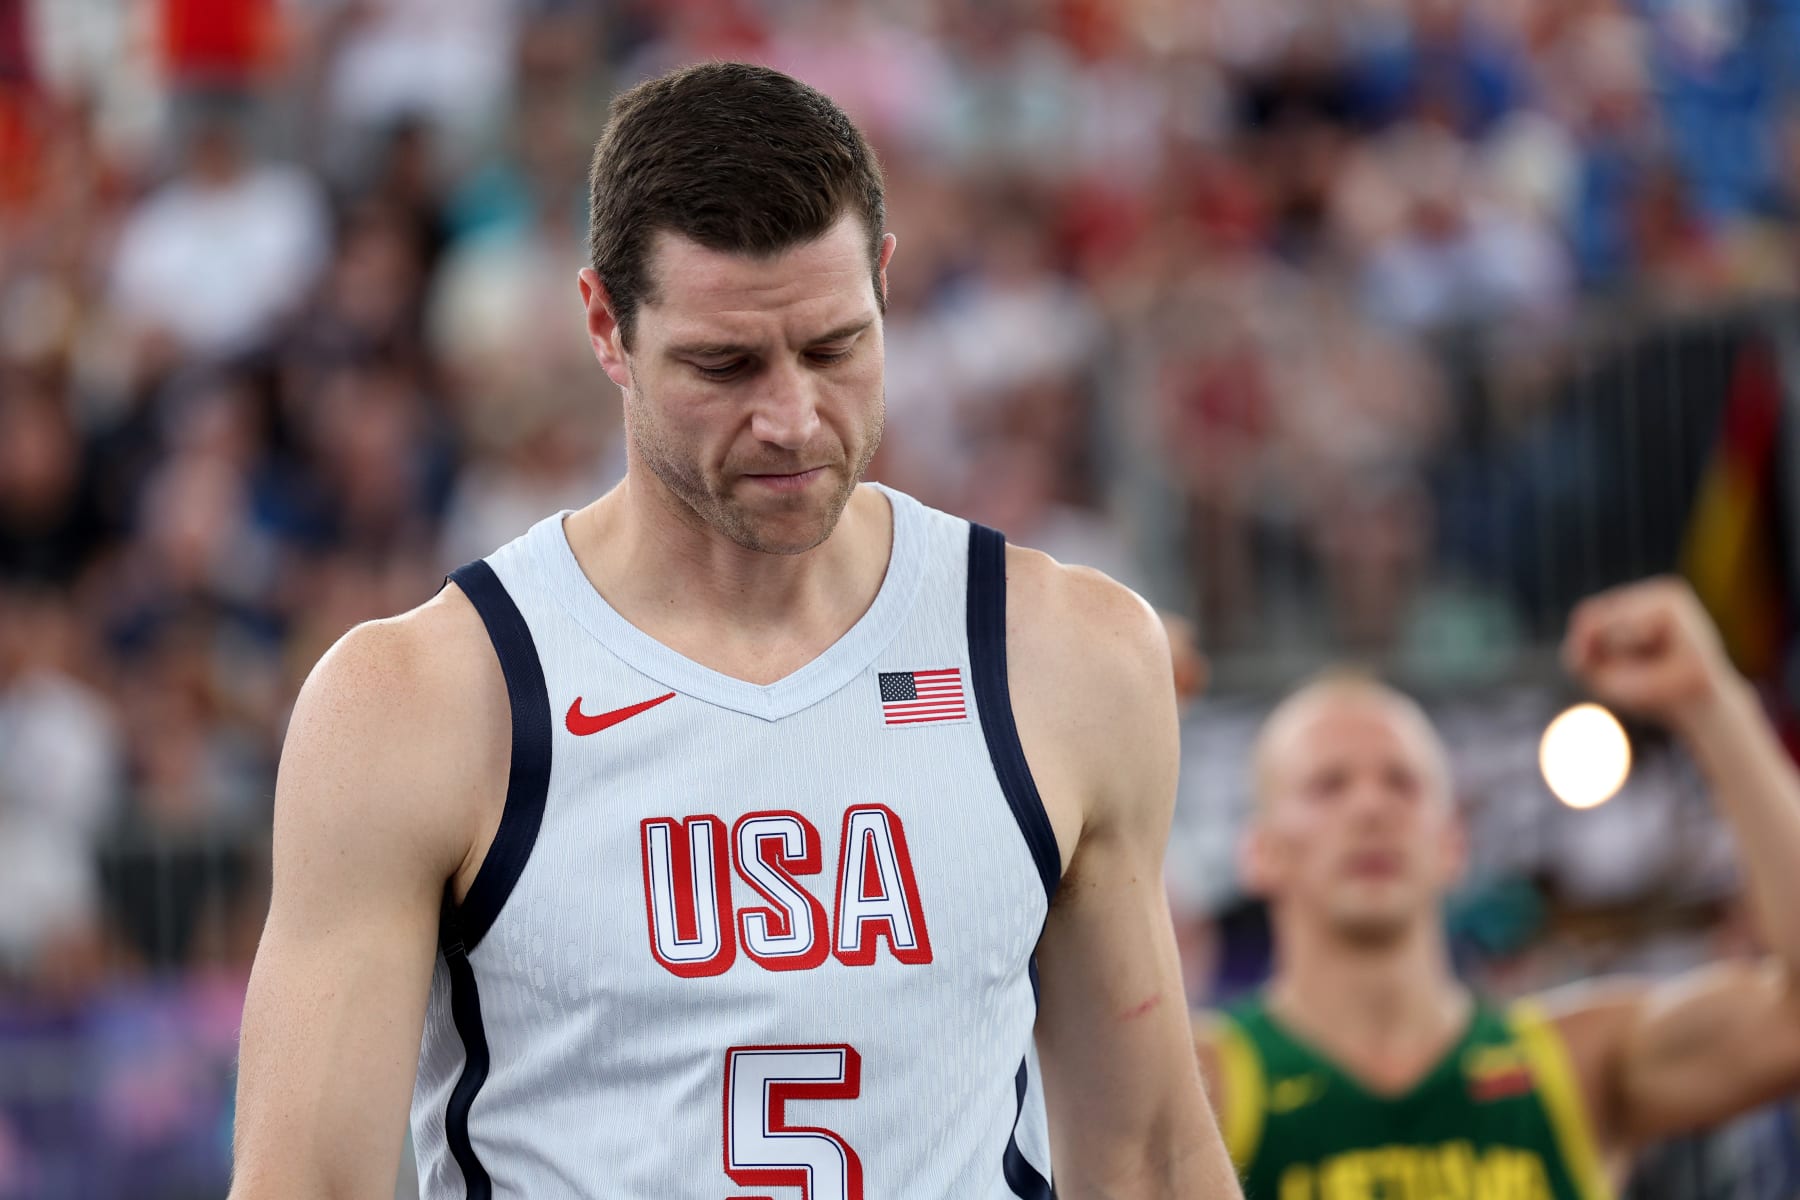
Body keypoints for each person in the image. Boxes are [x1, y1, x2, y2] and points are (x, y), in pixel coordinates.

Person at [228, 62, 1238, 1199]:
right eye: (725, 364)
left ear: (886, 283)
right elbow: (304, 1185)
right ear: (606, 327)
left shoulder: (1065, 651)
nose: (792, 418)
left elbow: (1151, 1158)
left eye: (834, 348)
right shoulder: (421, 699)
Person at [1193, 577, 1800, 1199]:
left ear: (1453, 842)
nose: (1372, 808)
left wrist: (1714, 703)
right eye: (1329, 785)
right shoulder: (1201, 1086)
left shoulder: (1575, 1063)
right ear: (1260, 851)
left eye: (1403, 783)